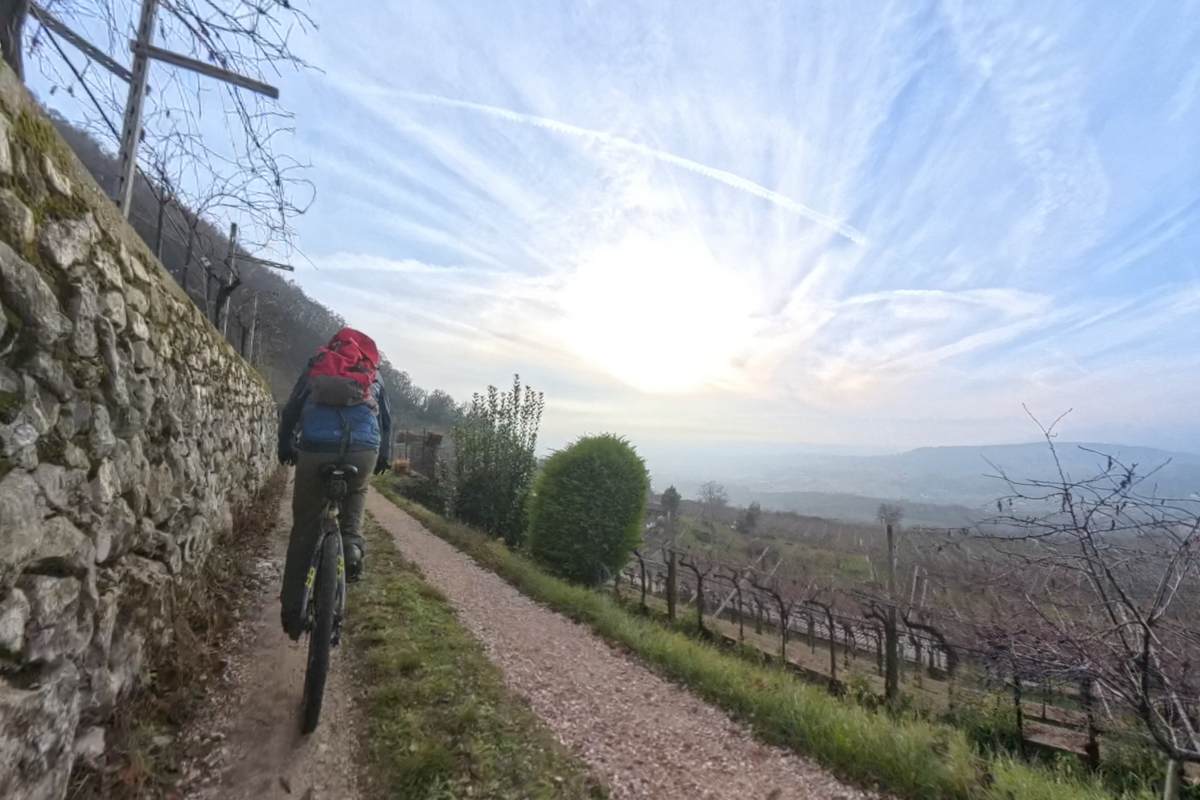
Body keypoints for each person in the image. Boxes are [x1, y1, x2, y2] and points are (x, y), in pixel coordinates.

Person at [277, 327, 391, 640]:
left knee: (304, 528)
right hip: (362, 449)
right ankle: (351, 545)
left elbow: (292, 409)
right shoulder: (373, 374)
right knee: (358, 490)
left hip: (315, 449)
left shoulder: (318, 363)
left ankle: (291, 613)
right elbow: (386, 422)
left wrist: (285, 445)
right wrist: (382, 456)